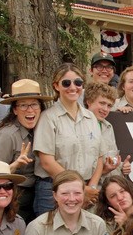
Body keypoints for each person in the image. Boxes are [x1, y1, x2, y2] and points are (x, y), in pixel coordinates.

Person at [33, 66, 104, 214]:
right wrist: (79, 188)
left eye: (78, 83)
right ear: (56, 85)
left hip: (87, 189)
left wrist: (91, 188)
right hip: (53, 189)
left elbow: (99, 156)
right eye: (66, 83)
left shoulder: (91, 117)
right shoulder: (48, 118)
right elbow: (47, 162)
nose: (73, 87)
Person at [0, 79, 52, 224]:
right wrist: (15, 165)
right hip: (14, 199)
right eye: (23, 105)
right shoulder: (7, 135)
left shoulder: (41, 130)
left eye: (34, 104)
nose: (29, 110)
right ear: (14, 109)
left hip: (36, 196)